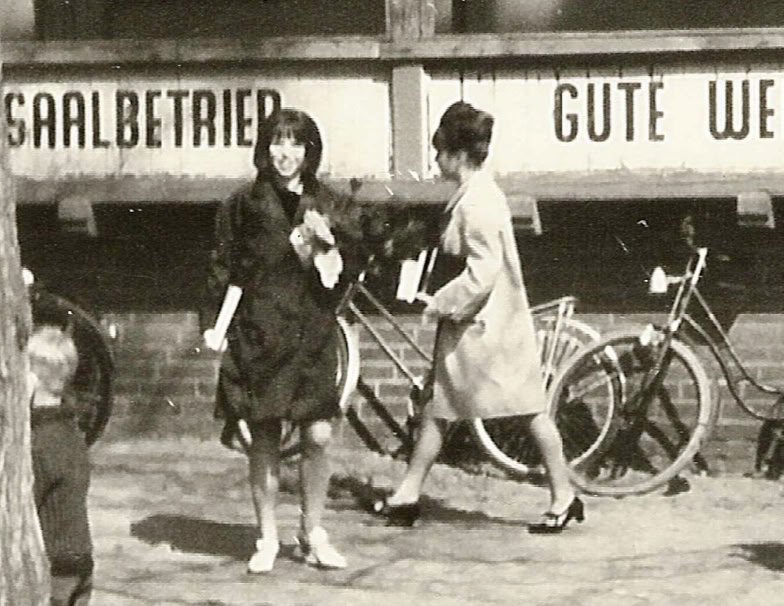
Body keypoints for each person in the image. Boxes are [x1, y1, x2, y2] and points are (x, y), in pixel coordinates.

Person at [370, 101, 584, 534]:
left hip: (488, 331)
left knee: (527, 410)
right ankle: (408, 493)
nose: (436, 159)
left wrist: (441, 301)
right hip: (481, 329)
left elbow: (483, 271)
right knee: (440, 408)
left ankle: (564, 496)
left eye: (440, 151)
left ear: (458, 154)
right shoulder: (475, 195)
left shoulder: (478, 202)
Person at [200, 108, 363, 573]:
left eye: (295, 143)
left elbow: (351, 266)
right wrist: (213, 324)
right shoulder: (242, 204)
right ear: (264, 148)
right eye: (277, 141)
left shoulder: (328, 202)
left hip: (312, 333)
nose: (285, 153)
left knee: (319, 434)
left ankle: (312, 531)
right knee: (265, 437)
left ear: (309, 151)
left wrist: (329, 250)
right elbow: (223, 268)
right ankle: (267, 537)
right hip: (262, 333)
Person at [27, 325, 94, 604]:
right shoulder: (71, 428)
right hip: (81, 556)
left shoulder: (39, 442)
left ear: (31, 378)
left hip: (54, 563)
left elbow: (26, 501)